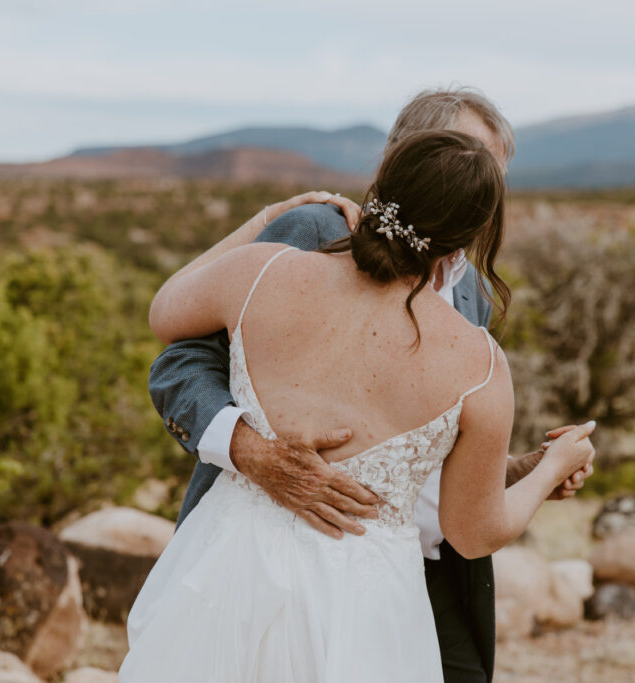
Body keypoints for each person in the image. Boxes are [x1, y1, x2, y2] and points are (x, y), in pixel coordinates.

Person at [147, 88, 594, 683]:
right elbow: (177, 361)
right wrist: (254, 453)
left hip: (422, 571)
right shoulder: (303, 236)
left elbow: (427, 446)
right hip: (261, 561)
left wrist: (525, 468)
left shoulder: (471, 301)